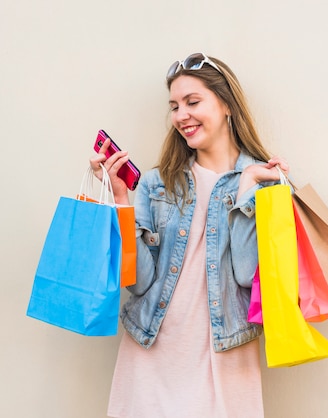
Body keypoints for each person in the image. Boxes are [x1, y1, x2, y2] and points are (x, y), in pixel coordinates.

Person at [90, 53, 289, 418]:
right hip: (152, 350)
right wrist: (122, 199)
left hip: (225, 353)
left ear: (227, 104)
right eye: (174, 106)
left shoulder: (263, 180)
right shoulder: (156, 183)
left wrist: (246, 190)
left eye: (193, 102)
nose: (181, 115)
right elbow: (138, 282)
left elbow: (247, 274)